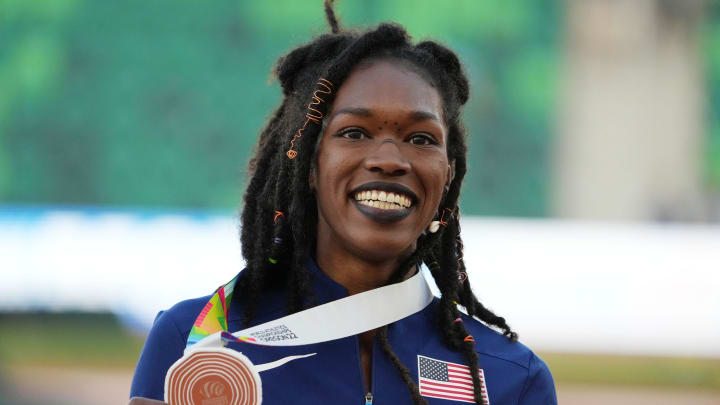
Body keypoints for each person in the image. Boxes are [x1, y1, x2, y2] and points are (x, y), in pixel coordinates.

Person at [129, 3, 557, 404]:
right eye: (354, 133)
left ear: (448, 175)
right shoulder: (196, 343)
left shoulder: (510, 380)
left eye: (421, 139)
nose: (389, 159)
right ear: (308, 164)